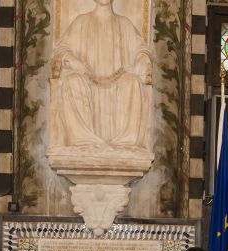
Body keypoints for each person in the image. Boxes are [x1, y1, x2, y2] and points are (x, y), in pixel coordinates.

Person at [50, 0, 152, 153]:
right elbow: (61, 50)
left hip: (118, 90)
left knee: (132, 81)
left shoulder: (125, 24)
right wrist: (72, 59)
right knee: (71, 81)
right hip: (86, 87)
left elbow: (142, 51)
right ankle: (84, 142)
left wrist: (140, 61)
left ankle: (124, 143)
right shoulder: (80, 22)